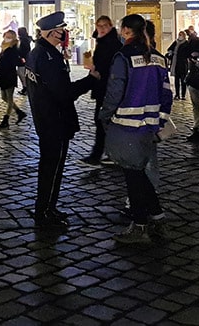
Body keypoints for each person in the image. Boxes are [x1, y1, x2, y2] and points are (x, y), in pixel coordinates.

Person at [101, 14, 173, 245]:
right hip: (149, 125)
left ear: (125, 31)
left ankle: (140, 224)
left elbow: (115, 91)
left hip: (126, 124)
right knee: (139, 173)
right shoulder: (158, 58)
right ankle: (157, 217)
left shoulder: (124, 57)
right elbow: (166, 93)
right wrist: (160, 120)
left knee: (133, 175)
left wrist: (104, 115)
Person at [25, 11, 90, 229]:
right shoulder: (48, 56)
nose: (64, 33)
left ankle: (47, 208)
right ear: (52, 32)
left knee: (50, 166)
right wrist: (91, 80)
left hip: (47, 119)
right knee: (52, 168)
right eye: (61, 29)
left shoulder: (39, 53)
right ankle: (44, 212)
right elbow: (63, 92)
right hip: (54, 119)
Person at [81, 16, 124, 166]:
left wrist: (98, 71)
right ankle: (108, 154)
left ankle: (99, 154)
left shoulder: (110, 43)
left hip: (107, 87)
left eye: (105, 25)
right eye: (99, 26)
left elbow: (110, 65)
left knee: (102, 120)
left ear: (111, 26)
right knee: (103, 120)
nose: (102, 28)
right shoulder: (103, 41)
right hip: (103, 86)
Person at [0, 30, 26, 130]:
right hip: (2, 75)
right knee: (4, 97)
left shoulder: (13, 48)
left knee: (9, 97)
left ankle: (5, 121)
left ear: (13, 38)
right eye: (6, 36)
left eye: (9, 36)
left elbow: (14, 61)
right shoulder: (3, 47)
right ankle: (19, 112)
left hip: (9, 74)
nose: (7, 38)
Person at [166, 31, 189, 100]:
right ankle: (177, 94)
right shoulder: (176, 42)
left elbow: (187, 52)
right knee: (176, 79)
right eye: (179, 35)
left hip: (183, 63)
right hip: (175, 62)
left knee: (183, 80)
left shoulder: (186, 43)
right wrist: (171, 52)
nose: (180, 36)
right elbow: (170, 48)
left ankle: (183, 95)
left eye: (181, 35)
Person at [16, 26, 33, 95]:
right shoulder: (23, 39)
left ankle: (26, 88)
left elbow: (25, 50)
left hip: (23, 59)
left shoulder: (24, 40)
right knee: (21, 73)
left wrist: (22, 56)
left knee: (21, 73)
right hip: (22, 59)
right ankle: (25, 87)